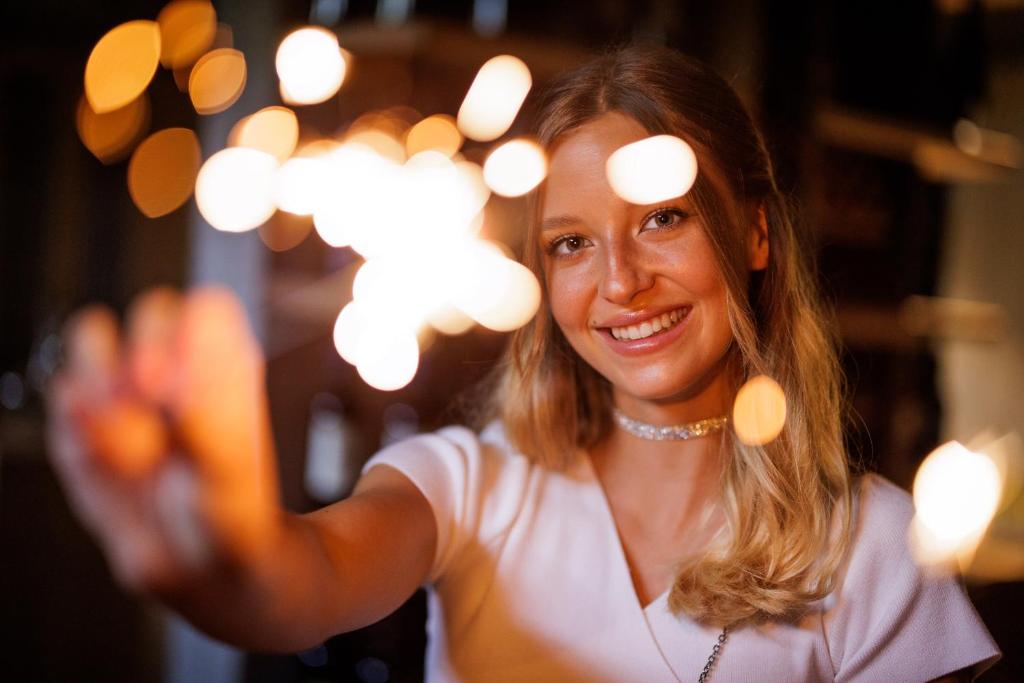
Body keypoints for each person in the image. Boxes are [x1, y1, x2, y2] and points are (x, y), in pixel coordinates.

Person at [47, 46, 999, 682]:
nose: (620, 282)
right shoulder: (473, 484)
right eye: (571, 244)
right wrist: (226, 558)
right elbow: (304, 576)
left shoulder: (876, 545)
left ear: (753, 230)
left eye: (662, 219)